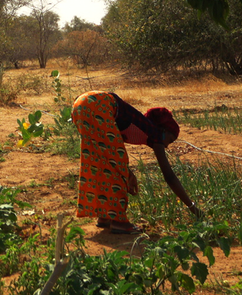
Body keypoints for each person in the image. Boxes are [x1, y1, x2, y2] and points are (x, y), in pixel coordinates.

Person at [71, 91, 202, 234]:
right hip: (97, 105)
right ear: (164, 130)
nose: (167, 146)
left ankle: (105, 215)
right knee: (117, 163)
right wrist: (192, 207)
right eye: (170, 140)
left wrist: (129, 174)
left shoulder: (143, 126)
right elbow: (169, 176)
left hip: (82, 104)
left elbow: (110, 153)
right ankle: (119, 221)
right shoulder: (156, 135)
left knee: (102, 161)